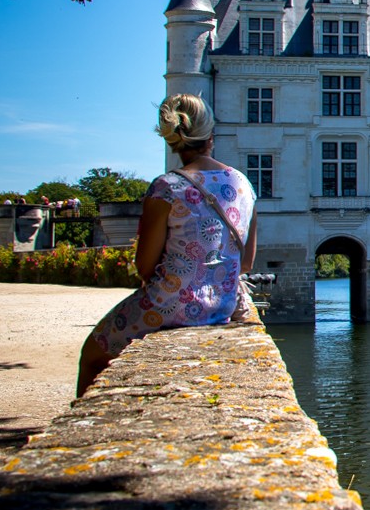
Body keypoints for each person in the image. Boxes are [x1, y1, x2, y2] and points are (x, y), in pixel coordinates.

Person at [76, 93, 260, 396]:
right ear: (211, 135)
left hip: (166, 308)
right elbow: (248, 263)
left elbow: (145, 267)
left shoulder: (166, 187)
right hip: (222, 307)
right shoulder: (243, 184)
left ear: (171, 139)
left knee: (93, 354)